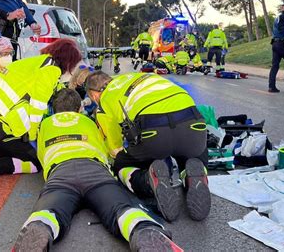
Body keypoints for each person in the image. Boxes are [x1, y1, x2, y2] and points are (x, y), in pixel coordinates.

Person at [13, 89, 182, 252]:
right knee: (120, 208)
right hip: (94, 169)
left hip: (60, 172)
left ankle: (41, 224)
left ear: (53, 109)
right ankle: (142, 228)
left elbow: (42, 156)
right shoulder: (89, 122)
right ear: (79, 108)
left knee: (52, 209)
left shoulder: (45, 124)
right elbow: (106, 150)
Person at [85, 71, 210, 222]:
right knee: (193, 151)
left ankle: (147, 181)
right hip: (192, 123)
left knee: (121, 164)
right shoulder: (141, 76)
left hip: (155, 133)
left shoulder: (105, 100)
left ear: (94, 95)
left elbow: (114, 148)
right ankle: (194, 174)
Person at [0, 38, 82, 186]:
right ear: (68, 61)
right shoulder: (51, 70)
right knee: (35, 162)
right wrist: (33, 136)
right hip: (0, 128)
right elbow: (37, 107)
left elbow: (52, 88)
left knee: (20, 148)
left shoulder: (38, 63)